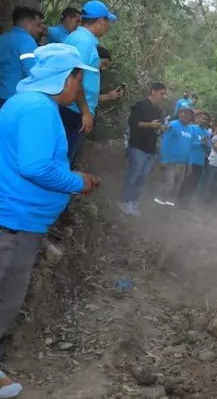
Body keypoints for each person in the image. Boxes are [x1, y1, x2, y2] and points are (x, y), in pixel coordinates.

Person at [0, 44, 99, 378]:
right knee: (6, 300)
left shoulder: (24, 103)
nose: (80, 89)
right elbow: (36, 167)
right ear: (66, 77)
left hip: (16, 220)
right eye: (79, 80)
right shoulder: (39, 109)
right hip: (14, 225)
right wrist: (77, 181)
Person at [60, 0, 118, 161]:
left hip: (72, 108)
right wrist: (86, 113)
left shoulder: (78, 37)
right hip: (73, 111)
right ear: (100, 21)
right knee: (64, 160)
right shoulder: (84, 43)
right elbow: (75, 78)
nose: (108, 26)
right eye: (107, 21)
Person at [119, 83, 167, 216]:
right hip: (137, 146)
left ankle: (134, 203)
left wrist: (161, 128)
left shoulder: (158, 110)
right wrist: (150, 125)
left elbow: (158, 127)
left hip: (150, 149)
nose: (163, 96)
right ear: (153, 91)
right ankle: (125, 202)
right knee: (133, 175)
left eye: (164, 94)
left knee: (142, 177)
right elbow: (133, 123)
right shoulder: (140, 105)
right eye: (161, 93)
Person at [0, 7, 44, 108]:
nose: (40, 29)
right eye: (38, 25)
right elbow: (32, 72)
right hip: (14, 99)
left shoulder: (2, 38)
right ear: (28, 23)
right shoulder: (27, 41)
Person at [155, 107, 194, 206]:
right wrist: (163, 158)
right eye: (184, 113)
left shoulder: (190, 130)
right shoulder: (173, 125)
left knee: (177, 186)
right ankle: (159, 202)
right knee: (169, 183)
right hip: (171, 162)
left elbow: (189, 148)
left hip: (183, 164)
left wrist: (189, 164)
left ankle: (168, 206)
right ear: (179, 114)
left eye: (189, 114)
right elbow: (165, 142)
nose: (187, 115)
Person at [178, 112, 210, 206]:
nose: (204, 121)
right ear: (199, 118)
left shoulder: (207, 133)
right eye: (202, 118)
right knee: (187, 181)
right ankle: (179, 200)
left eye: (206, 120)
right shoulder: (192, 128)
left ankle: (187, 202)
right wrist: (201, 143)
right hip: (191, 159)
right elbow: (188, 143)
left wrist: (206, 146)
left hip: (200, 161)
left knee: (194, 183)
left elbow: (206, 147)